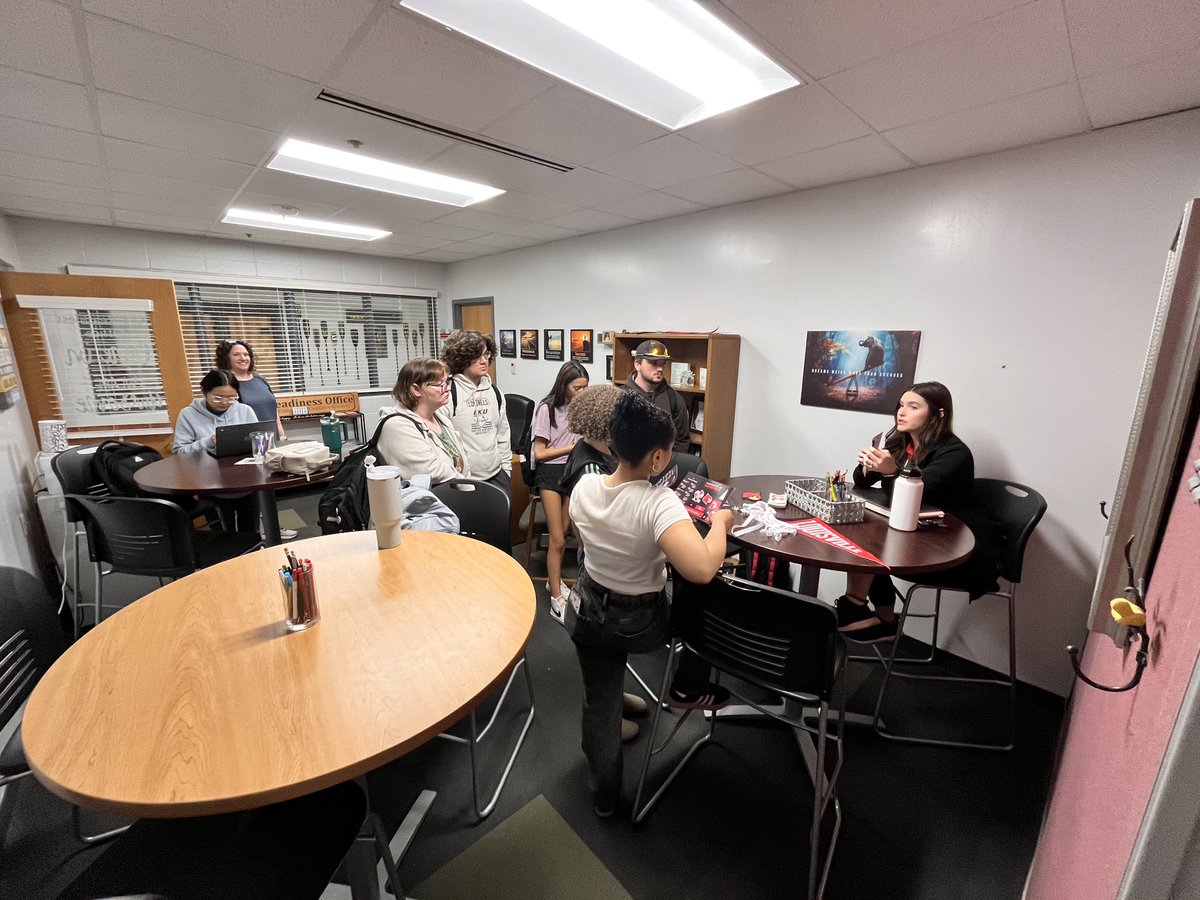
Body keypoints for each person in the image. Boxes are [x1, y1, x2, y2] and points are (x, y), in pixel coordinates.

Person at [567, 390, 734, 818]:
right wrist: (719, 523)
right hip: (640, 623)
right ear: (659, 459)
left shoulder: (585, 486)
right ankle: (688, 684)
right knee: (699, 588)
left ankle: (604, 798)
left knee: (597, 705)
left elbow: (587, 543)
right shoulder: (659, 502)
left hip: (588, 610)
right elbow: (702, 568)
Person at [839, 381, 999, 643]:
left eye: (913, 407)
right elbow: (862, 481)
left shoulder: (955, 454)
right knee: (862, 536)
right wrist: (868, 466)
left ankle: (856, 609)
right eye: (901, 405)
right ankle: (880, 617)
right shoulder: (900, 443)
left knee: (869, 544)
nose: (902, 412)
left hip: (952, 548)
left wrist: (890, 471)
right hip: (913, 534)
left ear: (938, 414)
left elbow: (914, 494)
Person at [532, 361, 589, 618]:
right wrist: (570, 448)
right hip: (550, 473)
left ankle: (551, 581)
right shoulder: (547, 409)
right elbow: (540, 453)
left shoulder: (580, 408)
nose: (582, 392)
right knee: (556, 538)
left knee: (565, 534)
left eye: (585, 387)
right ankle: (556, 596)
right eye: (578, 387)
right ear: (564, 385)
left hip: (571, 471)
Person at [171, 368, 260, 532]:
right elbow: (180, 451)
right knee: (223, 536)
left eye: (231, 398)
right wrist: (207, 442)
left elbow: (258, 440)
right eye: (218, 397)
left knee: (251, 533)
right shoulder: (188, 415)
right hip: (211, 487)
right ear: (204, 391)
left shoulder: (244, 410)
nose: (225, 402)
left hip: (246, 483)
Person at [377, 358, 471, 486]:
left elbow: (463, 460)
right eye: (439, 385)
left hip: (456, 499)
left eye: (447, 382)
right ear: (416, 390)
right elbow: (429, 470)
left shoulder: (441, 419)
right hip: (427, 503)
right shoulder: (396, 426)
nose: (447, 389)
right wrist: (467, 484)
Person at [441, 330, 512, 496]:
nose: (484, 361)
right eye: (476, 356)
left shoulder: (495, 393)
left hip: (497, 476)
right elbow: (440, 440)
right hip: (463, 480)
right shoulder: (449, 392)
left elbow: (503, 434)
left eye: (486, 354)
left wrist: (506, 471)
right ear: (462, 359)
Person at [621, 339, 690, 452]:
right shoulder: (620, 397)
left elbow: (682, 441)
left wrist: (668, 464)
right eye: (653, 363)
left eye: (662, 363)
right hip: (627, 465)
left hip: (663, 465)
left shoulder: (674, 399)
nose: (660, 368)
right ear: (638, 365)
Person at [216, 339, 287, 441]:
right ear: (226, 358)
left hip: (272, 440)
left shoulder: (260, 379)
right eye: (236, 354)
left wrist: (282, 437)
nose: (243, 358)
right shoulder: (225, 383)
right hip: (247, 442)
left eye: (246, 354)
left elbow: (274, 412)